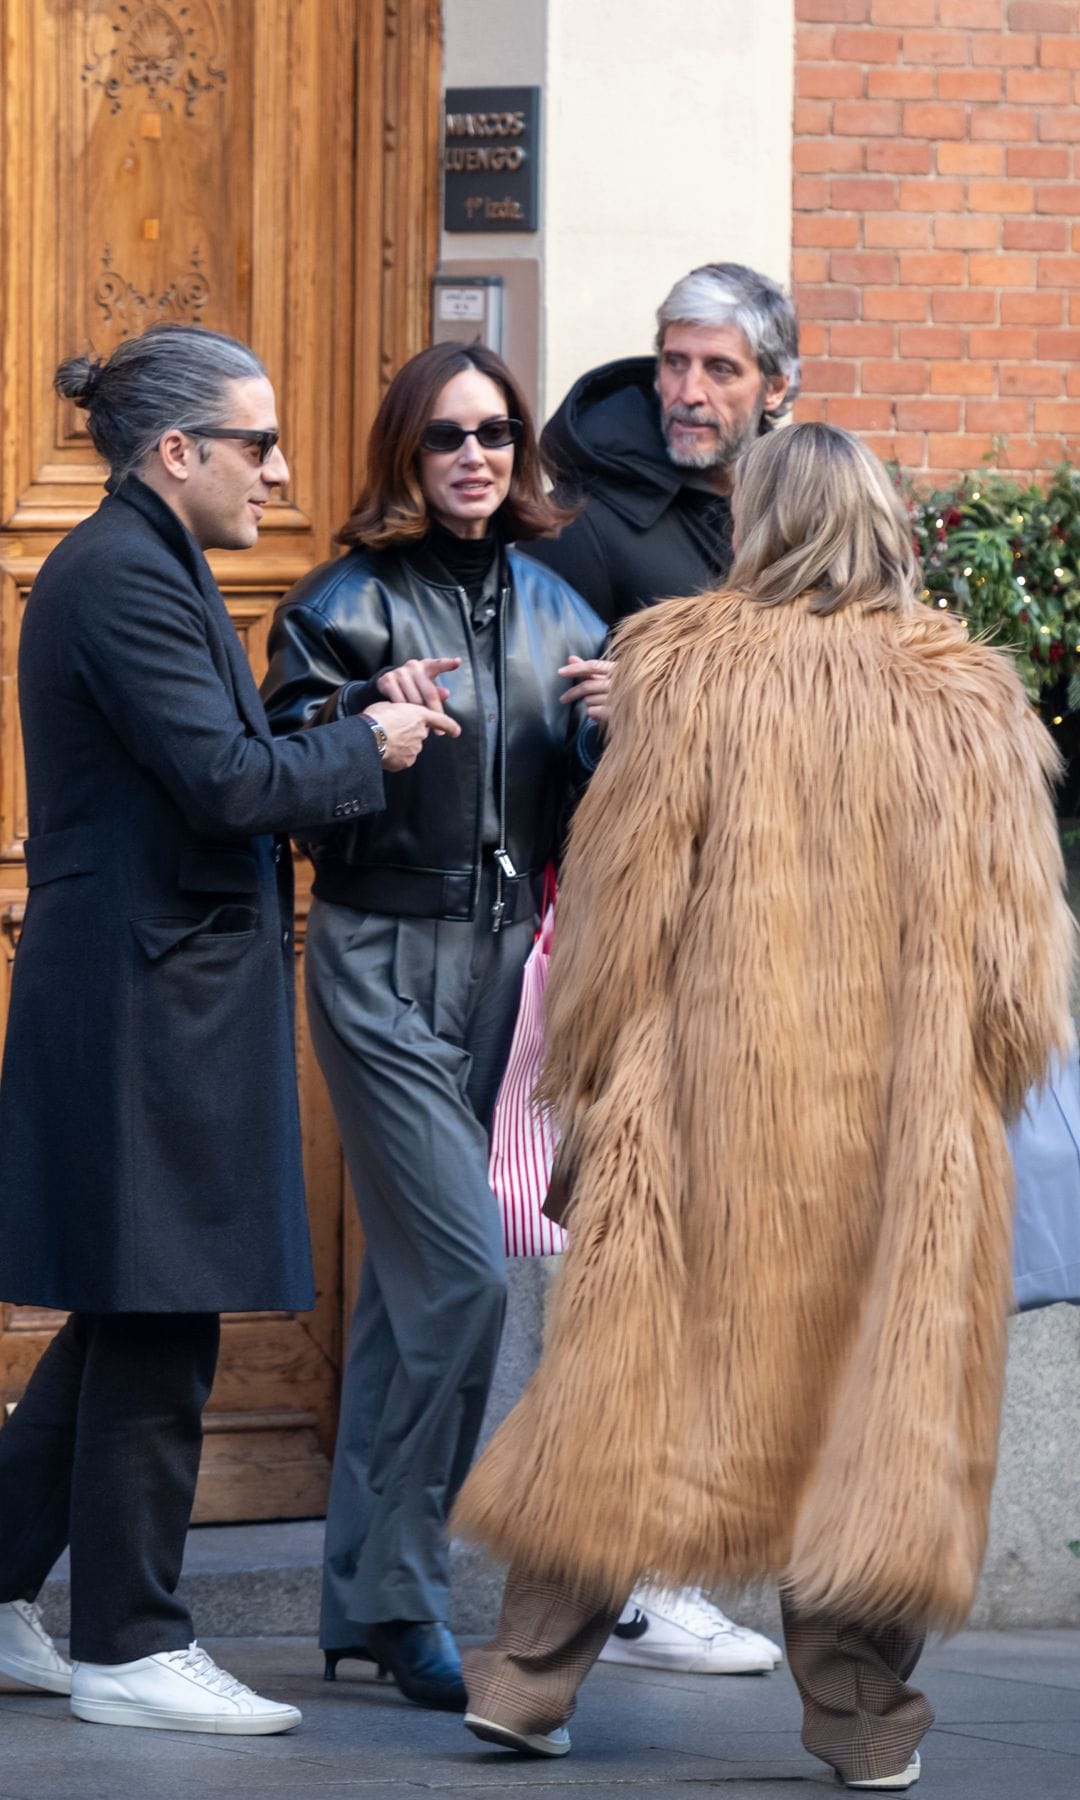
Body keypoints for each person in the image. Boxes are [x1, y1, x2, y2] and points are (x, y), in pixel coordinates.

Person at [453, 422, 1074, 1789]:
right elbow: (1023, 971)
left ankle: (524, 1682)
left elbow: (618, 923)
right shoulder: (971, 702)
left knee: (619, 1390)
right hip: (902, 1139)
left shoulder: (680, 673)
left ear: (759, 526)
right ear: (885, 526)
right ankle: (860, 1724)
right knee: (872, 1408)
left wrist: (595, 1089)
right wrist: (977, 1093)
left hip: (697, 1117)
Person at [0, 322, 453, 1736]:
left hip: (158, 985)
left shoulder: (144, 558)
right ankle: (133, 1644)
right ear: (176, 450)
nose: (281, 468)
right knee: (158, 1317)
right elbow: (225, 782)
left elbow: (217, 747)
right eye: (256, 443)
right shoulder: (125, 572)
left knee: (132, 1307)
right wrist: (365, 751)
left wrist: (346, 716)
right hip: (147, 996)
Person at [261, 342, 607, 1713]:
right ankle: (404, 1599)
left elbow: (596, 791)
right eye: (449, 435)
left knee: (422, 1291)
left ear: (522, 454)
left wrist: (622, 727)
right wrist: (355, 705)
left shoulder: (561, 608)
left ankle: (365, 1596)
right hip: (376, 956)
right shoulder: (341, 602)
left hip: (511, 967)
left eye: (499, 433)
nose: (476, 455)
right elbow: (279, 752)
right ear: (407, 452)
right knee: (464, 1275)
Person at [525, 260, 800, 1673]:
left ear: (775, 387)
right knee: (634, 1256)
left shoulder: (764, 511)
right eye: (672, 363)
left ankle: (650, 1568)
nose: (686, 392)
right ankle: (625, 1584)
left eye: (717, 372)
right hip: (621, 938)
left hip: (737, 933)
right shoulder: (588, 519)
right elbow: (558, 730)